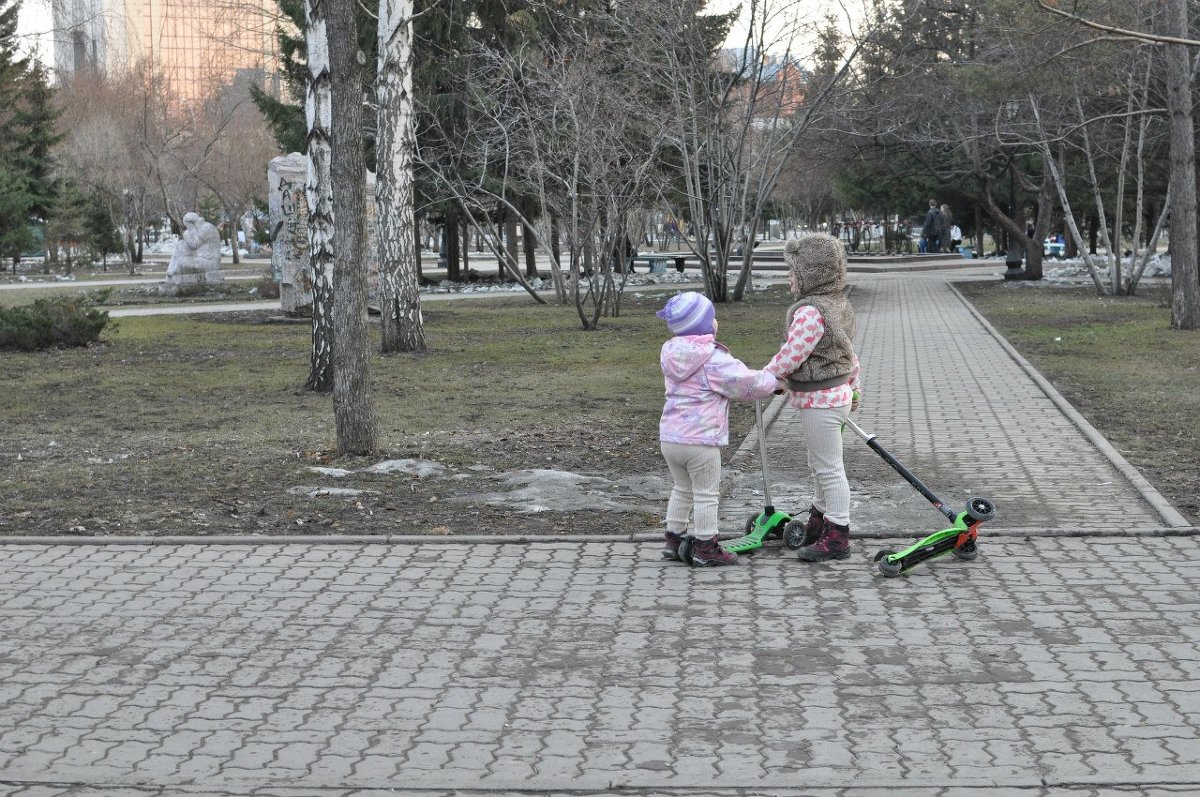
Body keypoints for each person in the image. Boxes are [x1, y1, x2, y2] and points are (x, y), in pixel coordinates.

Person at [656, 291, 783, 567]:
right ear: (703, 325)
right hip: (700, 441)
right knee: (706, 493)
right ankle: (706, 547)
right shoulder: (711, 358)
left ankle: (673, 539)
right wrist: (773, 382)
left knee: (682, 488)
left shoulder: (671, 353)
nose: (716, 322)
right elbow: (744, 382)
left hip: (671, 437)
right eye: (713, 318)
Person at [763, 234, 862, 562]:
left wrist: (767, 377)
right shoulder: (839, 303)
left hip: (822, 400)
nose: (789, 278)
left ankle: (838, 535)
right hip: (836, 395)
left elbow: (794, 352)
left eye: (794, 271)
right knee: (821, 463)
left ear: (812, 274)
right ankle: (821, 519)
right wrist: (855, 385)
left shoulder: (810, 311)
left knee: (829, 467)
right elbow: (846, 350)